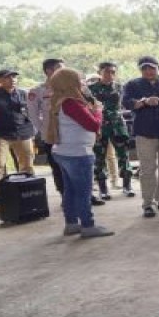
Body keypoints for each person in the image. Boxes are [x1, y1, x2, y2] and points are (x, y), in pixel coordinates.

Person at [45, 67, 113, 238]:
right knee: (83, 192)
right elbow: (93, 125)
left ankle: (71, 224)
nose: (82, 83)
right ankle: (88, 225)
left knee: (71, 191)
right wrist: (98, 111)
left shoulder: (59, 99)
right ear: (70, 82)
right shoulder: (70, 102)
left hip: (64, 151)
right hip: (77, 153)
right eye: (79, 80)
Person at [122, 56, 159, 218]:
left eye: (152, 68)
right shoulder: (132, 85)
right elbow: (126, 103)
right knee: (147, 169)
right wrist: (144, 101)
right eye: (144, 68)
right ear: (140, 70)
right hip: (144, 132)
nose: (148, 71)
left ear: (158, 68)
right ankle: (148, 204)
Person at [0, 68, 35, 205]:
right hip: (1, 134)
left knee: (27, 161)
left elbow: (29, 111)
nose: (13, 80)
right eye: (8, 77)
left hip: (23, 132)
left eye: (14, 77)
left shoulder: (23, 94)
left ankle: (28, 187)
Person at [87, 61, 134, 201]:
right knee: (99, 158)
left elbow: (126, 104)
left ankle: (127, 186)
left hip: (117, 125)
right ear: (100, 73)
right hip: (99, 126)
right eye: (107, 71)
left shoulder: (120, 88)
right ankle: (103, 189)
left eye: (113, 72)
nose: (110, 75)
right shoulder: (90, 89)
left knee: (123, 156)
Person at [28, 58, 66, 200]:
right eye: (60, 68)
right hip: (51, 135)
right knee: (57, 166)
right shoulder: (37, 91)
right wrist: (44, 130)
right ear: (49, 71)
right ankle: (64, 194)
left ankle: (85, 193)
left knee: (77, 162)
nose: (64, 71)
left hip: (71, 133)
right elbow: (33, 114)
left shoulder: (69, 87)